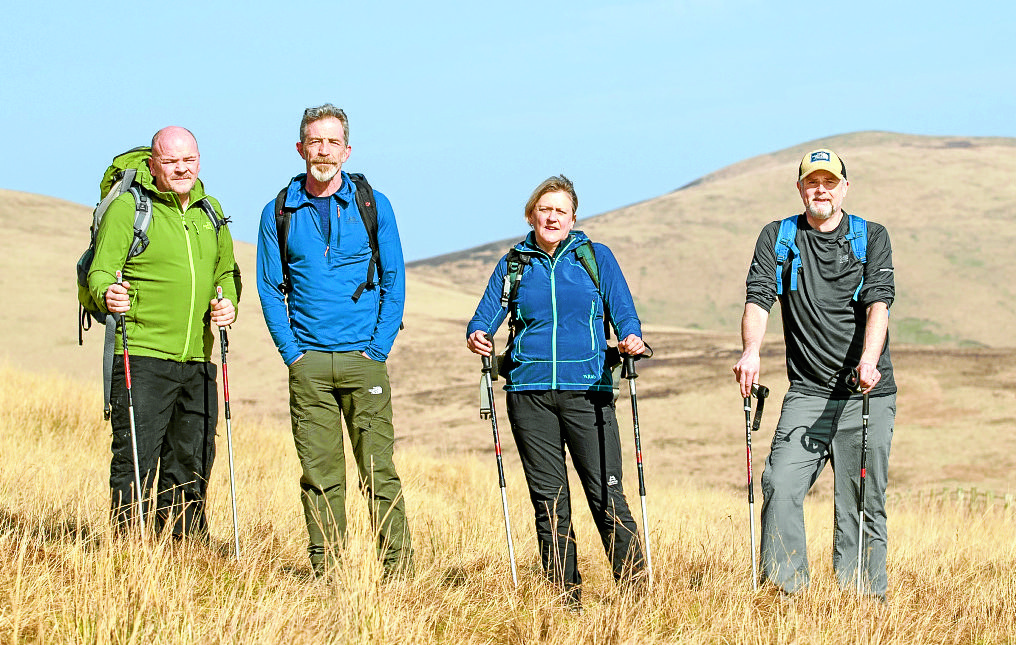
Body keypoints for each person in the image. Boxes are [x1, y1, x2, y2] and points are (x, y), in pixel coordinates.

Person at [466, 175, 647, 606]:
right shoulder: (514, 264)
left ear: (573, 218)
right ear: (531, 215)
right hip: (528, 395)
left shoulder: (595, 258)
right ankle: (564, 601)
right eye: (544, 209)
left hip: (590, 393)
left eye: (560, 211)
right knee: (549, 503)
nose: (552, 217)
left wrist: (631, 338)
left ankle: (637, 597)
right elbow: (483, 318)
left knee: (607, 495)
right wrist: (477, 334)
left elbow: (625, 313)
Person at [732, 149, 896, 599]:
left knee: (860, 503)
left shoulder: (870, 237)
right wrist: (751, 352)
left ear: (844, 187)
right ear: (800, 188)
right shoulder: (779, 237)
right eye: (811, 182)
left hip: (865, 393)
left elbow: (879, 302)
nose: (819, 190)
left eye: (829, 182)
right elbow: (758, 296)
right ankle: (786, 596)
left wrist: (868, 359)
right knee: (779, 484)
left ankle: (861, 602)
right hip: (806, 391)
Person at [256, 104, 412, 576]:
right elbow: (268, 286)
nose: (323, 151)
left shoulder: (373, 204)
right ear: (300, 148)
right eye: (315, 142)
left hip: (364, 360)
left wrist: (378, 348)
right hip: (309, 366)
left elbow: (394, 278)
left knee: (378, 471)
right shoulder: (278, 210)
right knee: (320, 477)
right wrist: (293, 354)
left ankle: (398, 569)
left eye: (332, 142)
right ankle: (329, 572)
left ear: (347, 150)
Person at [88, 126, 241, 536]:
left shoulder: (211, 211)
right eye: (171, 161)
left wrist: (230, 303)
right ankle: (129, 550)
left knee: (192, 457)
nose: (181, 168)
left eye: (188, 160)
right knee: (136, 459)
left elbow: (226, 271)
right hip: (142, 353)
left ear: (199, 161)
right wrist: (108, 294)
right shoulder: (129, 209)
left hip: (197, 358)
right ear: (153, 164)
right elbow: (101, 270)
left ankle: (184, 549)